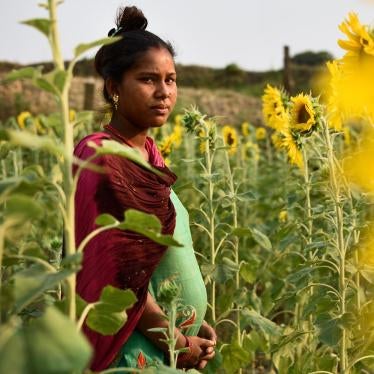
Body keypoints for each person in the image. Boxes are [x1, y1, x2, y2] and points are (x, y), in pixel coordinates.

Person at [73, 5, 217, 371]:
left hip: (168, 344)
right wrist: (177, 339)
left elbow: (153, 262)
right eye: (148, 79)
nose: (164, 92)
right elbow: (115, 275)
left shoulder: (149, 156)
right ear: (114, 87)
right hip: (133, 350)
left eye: (171, 79)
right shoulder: (100, 155)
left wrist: (192, 324)